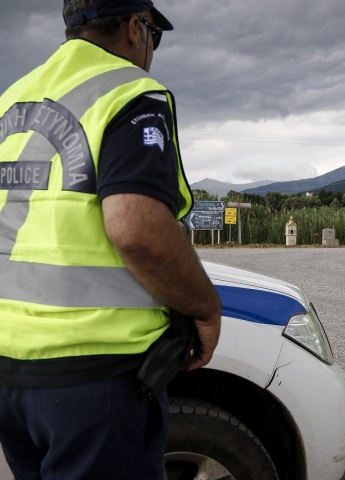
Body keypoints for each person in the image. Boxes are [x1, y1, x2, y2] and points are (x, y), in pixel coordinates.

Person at [0, 0, 222, 478]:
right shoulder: (129, 91)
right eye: (154, 36)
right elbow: (136, 228)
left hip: (9, 367)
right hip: (93, 374)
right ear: (134, 28)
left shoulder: (13, 97)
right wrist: (206, 308)